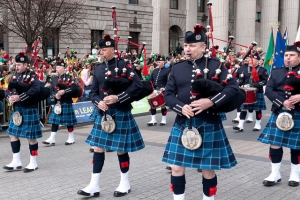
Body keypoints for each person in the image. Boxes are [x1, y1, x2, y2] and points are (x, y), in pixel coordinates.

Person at [162, 24, 239, 200]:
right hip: (183, 122)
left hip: (208, 122)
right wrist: (181, 107)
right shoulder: (177, 68)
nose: (187, 49)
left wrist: (210, 101)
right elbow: (168, 95)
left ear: (203, 47)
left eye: (192, 46)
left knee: (207, 169)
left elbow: (234, 89)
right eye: (186, 46)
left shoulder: (216, 65)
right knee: (176, 167)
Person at [77, 34, 145, 197]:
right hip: (104, 112)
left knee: (121, 150)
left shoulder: (124, 65)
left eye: (104, 49)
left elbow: (137, 86)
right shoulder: (98, 68)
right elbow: (93, 92)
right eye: (100, 49)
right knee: (97, 148)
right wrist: (97, 102)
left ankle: (125, 182)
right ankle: (94, 185)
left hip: (120, 111)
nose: (101, 52)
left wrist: (118, 97)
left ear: (113, 50)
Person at [258, 42, 300, 187]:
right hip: (280, 111)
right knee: (275, 144)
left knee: (297, 146)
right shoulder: (276, 72)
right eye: (286, 55)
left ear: (299, 57)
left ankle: (295, 174)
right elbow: (269, 90)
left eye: (292, 55)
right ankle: (275, 174)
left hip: (298, 111)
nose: (288, 58)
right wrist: (282, 102)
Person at [3, 52, 42, 173]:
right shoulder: (14, 76)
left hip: (29, 108)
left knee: (31, 137)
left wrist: (20, 97)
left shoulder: (32, 75)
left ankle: (33, 162)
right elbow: (7, 89)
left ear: (26, 64)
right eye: (16, 64)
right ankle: (16, 161)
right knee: (12, 134)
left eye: (19, 64)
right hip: (17, 110)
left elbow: (36, 89)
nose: (17, 66)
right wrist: (10, 97)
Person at [42, 61, 78, 146]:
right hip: (57, 102)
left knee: (69, 121)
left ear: (64, 69)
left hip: (66, 101)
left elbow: (74, 88)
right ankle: (52, 138)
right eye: (56, 68)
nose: (57, 69)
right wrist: (55, 95)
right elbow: (51, 90)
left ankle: (71, 138)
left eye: (58, 68)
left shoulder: (69, 77)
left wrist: (64, 92)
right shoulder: (54, 79)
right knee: (54, 121)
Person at [233, 53, 268, 132]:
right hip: (246, 91)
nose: (249, 61)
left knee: (257, 109)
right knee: (243, 109)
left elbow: (265, 80)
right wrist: (238, 83)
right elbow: (241, 80)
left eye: (252, 60)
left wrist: (258, 84)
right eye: (249, 59)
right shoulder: (245, 69)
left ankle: (258, 124)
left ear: (257, 61)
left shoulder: (262, 70)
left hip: (257, 91)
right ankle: (240, 125)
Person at [147, 54, 170, 126]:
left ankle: (164, 120)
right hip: (154, 90)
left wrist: (165, 88)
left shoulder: (168, 70)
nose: (158, 63)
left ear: (164, 62)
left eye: (160, 62)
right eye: (157, 62)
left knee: (163, 105)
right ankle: (153, 120)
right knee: (152, 104)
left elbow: (170, 81)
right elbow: (150, 80)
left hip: (162, 90)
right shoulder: (155, 71)